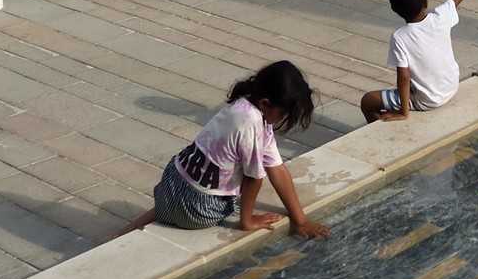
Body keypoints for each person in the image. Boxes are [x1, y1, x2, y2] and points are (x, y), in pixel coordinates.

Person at [122, 61, 330, 239]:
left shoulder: (243, 104)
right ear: (266, 103)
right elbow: (254, 178)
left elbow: (278, 170)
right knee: (234, 197)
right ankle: (175, 211)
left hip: (170, 186)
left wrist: (301, 221)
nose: (284, 119)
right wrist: (247, 221)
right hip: (198, 212)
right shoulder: (251, 123)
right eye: (284, 114)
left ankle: (147, 219)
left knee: (191, 188)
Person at [361, 0, 478, 122]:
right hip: (450, 87)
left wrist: (403, 112)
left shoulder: (400, 37)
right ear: (426, 2)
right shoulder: (440, 16)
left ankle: (381, 126)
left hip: (427, 100)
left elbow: (404, 76)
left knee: (368, 101)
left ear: (395, 9)